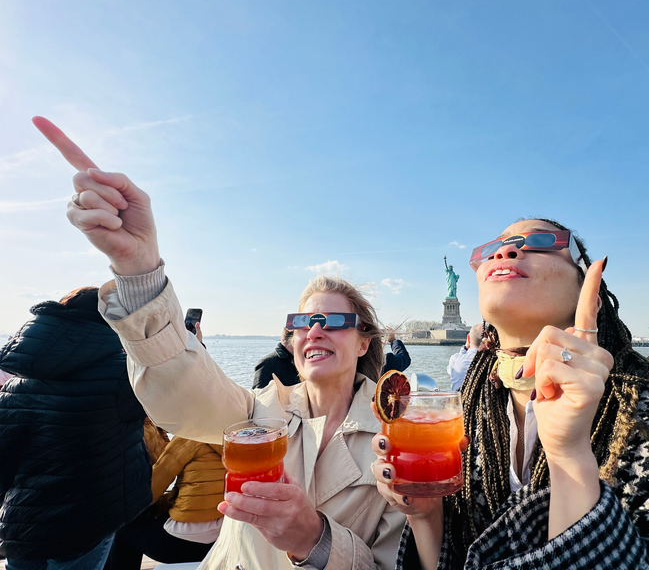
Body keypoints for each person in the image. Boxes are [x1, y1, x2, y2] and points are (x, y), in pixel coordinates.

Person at [35, 116, 406, 570]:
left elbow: (398, 561)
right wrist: (139, 268)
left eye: (332, 320)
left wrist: (316, 539)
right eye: (301, 321)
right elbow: (182, 389)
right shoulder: (255, 413)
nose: (314, 329)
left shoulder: (397, 436)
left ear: (364, 342)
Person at [372, 218, 649, 569]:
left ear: (588, 290)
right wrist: (426, 517)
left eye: (538, 242)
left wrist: (569, 457)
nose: (503, 252)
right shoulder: (466, 415)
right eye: (490, 250)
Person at [0, 287, 152, 570]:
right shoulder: (124, 376)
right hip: (87, 522)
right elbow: (179, 398)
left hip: (25, 523)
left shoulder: (17, 383)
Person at [105, 433, 225, 569]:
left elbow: (149, 492)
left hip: (184, 543)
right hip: (224, 539)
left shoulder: (188, 437)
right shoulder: (237, 440)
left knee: (123, 527)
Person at [446, 324, 483, 391]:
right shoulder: (494, 362)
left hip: (459, 400)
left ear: (468, 338)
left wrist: (465, 348)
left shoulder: (455, 359)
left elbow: (450, 371)